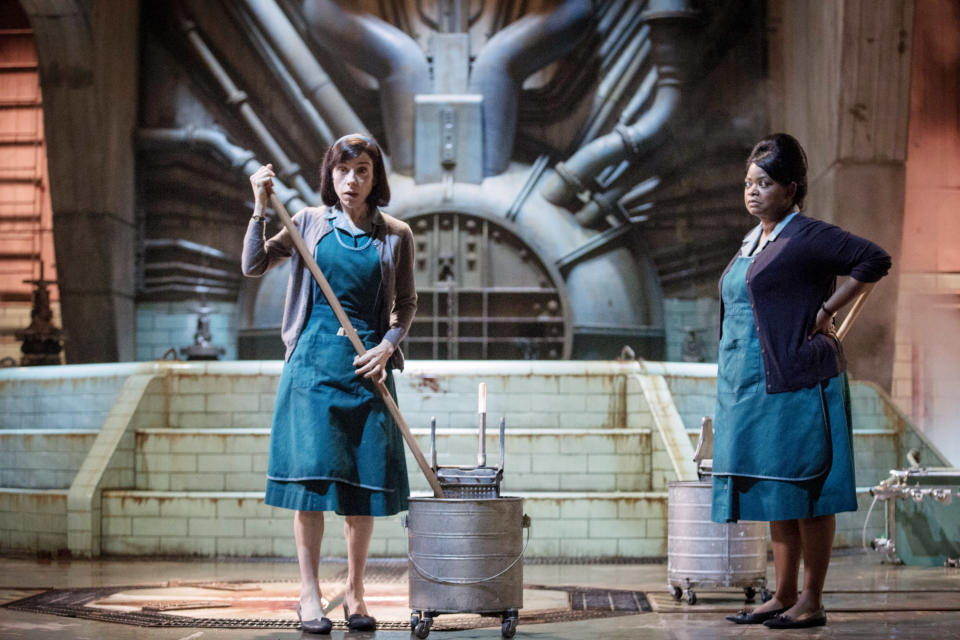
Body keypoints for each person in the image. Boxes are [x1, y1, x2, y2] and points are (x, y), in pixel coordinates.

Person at [711, 134, 890, 629]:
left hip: (800, 381)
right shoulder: (754, 239)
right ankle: (783, 594)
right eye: (748, 183)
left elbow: (874, 260)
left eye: (764, 183)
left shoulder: (804, 235)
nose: (752, 192)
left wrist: (826, 312)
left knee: (808, 491)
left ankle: (811, 599)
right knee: (777, 491)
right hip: (753, 387)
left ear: (790, 189)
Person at [241, 134, 417, 634]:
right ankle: (309, 594)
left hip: (367, 369)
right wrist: (259, 208)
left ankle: (356, 591)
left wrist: (386, 347)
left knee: (360, 490)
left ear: (374, 177)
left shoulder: (395, 234)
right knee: (312, 489)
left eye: (362, 170)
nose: (352, 181)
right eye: (343, 172)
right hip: (312, 369)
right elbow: (253, 265)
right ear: (330, 176)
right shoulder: (307, 224)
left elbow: (406, 306)